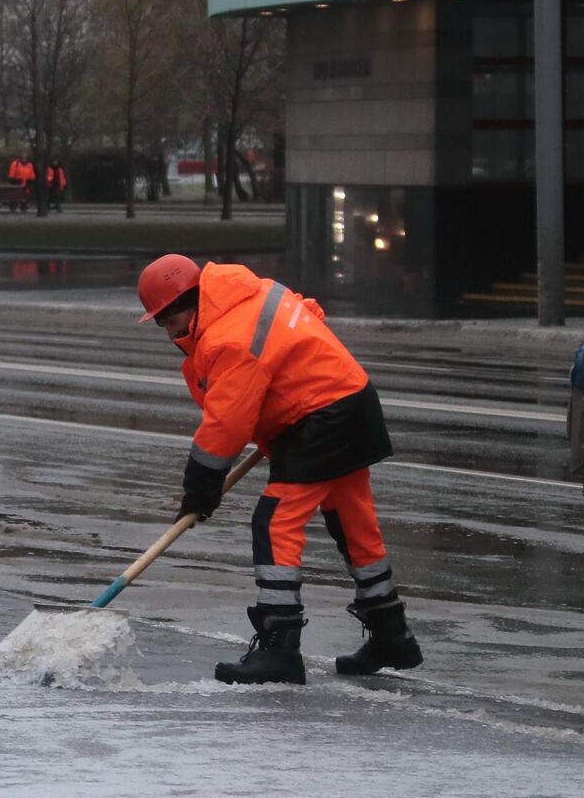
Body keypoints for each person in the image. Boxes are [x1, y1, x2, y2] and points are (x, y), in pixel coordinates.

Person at [136, 254, 421, 684]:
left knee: (274, 523)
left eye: (165, 320)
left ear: (186, 306)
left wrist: (200, 488)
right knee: (353, 524)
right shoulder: (247, 293)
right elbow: (308, 313)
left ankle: (280, 647)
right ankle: (391, 635)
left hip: (321, 418)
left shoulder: (228, 339)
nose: (167, 331)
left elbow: (226, 424)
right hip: (351, 402)